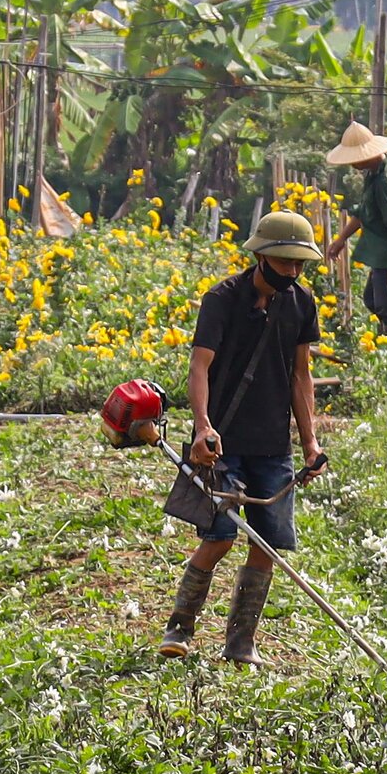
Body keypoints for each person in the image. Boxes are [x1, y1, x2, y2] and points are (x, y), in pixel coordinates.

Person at [158, 210, 327, 665]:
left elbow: (300, 375)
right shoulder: (222, 299)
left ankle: (239, 642)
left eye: (300, 264)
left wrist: (309, 443)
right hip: (223, 443)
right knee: (219, 536)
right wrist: (202, 426)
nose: (293, 271)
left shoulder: (301, 303)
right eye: (286, 262)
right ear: (261, 257)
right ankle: (180, 627)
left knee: (267, 544)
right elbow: (200, 367)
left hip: (273, 446)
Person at [325, 120, 387, 338]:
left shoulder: (386, 181)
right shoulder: (375, 172)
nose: (352, 164)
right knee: (373, 300)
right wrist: (341, 240)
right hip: (382, 254)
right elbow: (365, 211)